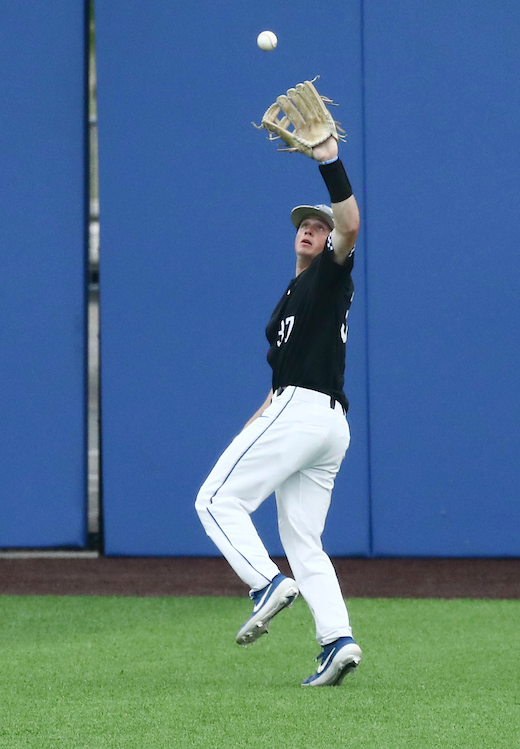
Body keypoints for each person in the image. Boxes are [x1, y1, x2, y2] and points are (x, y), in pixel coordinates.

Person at [194, 134, 362, 687]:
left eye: (319, 225)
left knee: (216, 500)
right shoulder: (288, 303)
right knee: (304, 541)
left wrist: (329, 163)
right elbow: (279, 381)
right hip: (322, 422)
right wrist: (258, 417)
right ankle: (337, 640)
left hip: (308, 412)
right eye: (304, 225)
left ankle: (266, 585)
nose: (311, 229)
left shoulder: (329, 275)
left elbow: (353, 224)